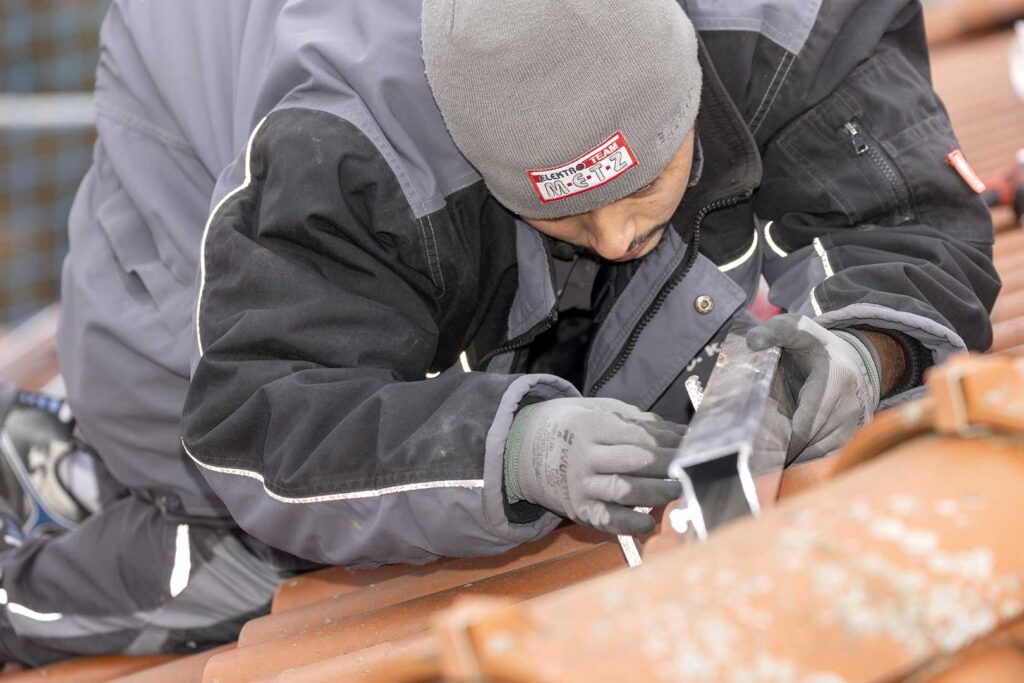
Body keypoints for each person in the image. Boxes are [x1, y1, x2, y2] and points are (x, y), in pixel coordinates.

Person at [0, 0, 999, 665]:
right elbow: (263, 416)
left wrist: (866, 349)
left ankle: (71, 459)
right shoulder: (349, 147)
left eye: (641, 183)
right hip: (184, 267)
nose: (616, 236)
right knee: (251, 561)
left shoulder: (788, 20)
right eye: (567, 214)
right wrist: (514, 448)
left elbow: (905, 216)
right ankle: (60, 517)